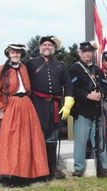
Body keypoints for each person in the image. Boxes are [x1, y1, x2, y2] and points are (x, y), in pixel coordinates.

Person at [0, 44, 49, 183]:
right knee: (11, 140)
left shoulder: (24, 68)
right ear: (8, 54)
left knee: (28, 139)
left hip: (26, 104)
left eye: (18, 53)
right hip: (10, 106)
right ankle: (10, 174)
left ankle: (27, 172)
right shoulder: (2, 70)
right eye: (13, 52)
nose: (15, 55)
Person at [26, 36, 74, 179]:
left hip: (54, 106)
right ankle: (38, 170)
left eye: (50, 45)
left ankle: (52, 169)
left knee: (52, 138)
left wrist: (67, 104)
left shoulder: (61, 65)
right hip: (36, 105)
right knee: (37, 138)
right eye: (44, 45)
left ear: (54, 48)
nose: (47, 47)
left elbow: (69, 85)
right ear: (40, 47)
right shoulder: (30, 64)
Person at [69, 41, 107, 177]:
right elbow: (73, 89)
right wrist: (88, 95)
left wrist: (101, 94)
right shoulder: (74, 69)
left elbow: (104, 84)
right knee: (80, 141)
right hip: (82, 110)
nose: (87, 54)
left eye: (89, 52)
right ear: (80, 53)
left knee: (99, 141)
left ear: (92, 53)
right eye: (84, 52)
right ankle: (78, 168)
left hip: (97, 110)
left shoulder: (97, 69)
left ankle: (103, 168)